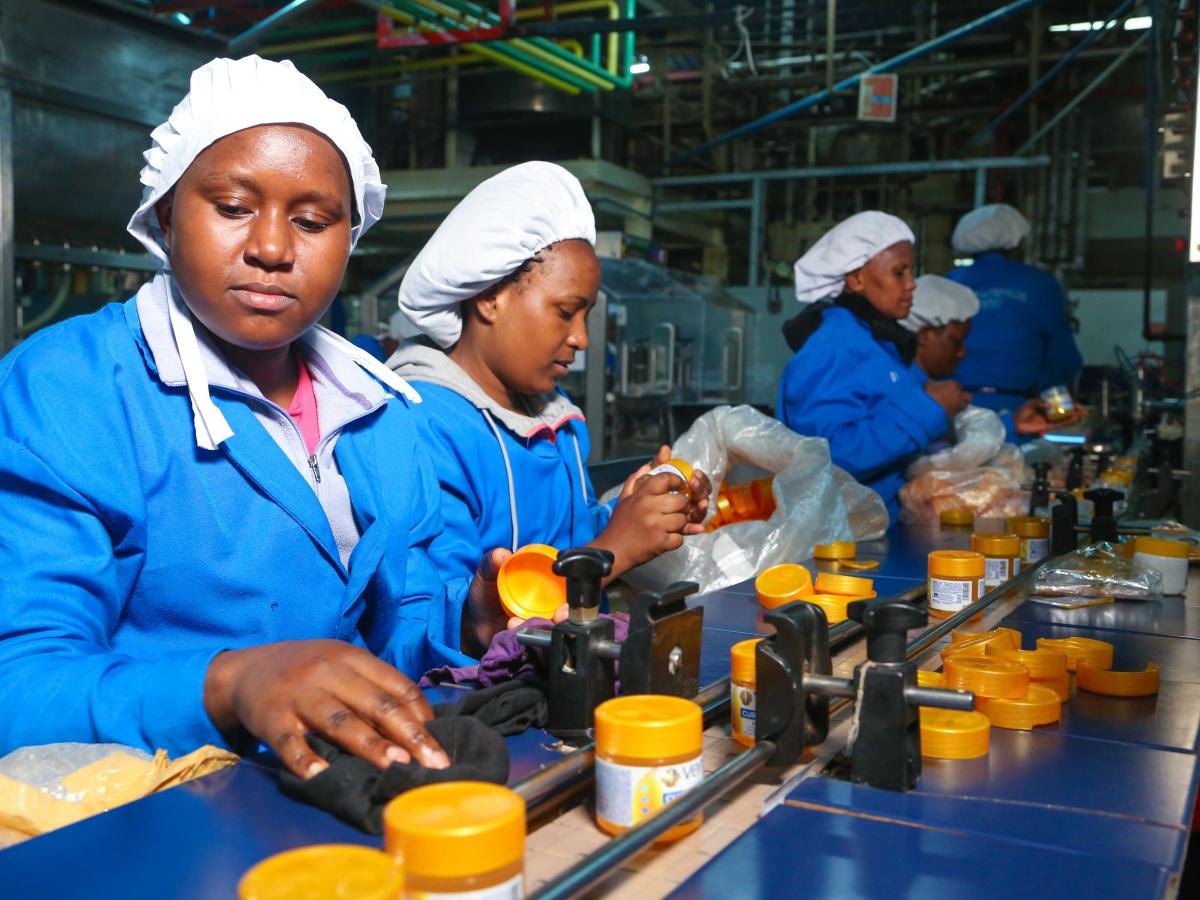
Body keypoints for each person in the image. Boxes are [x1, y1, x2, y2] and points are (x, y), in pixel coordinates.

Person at [0, 56, 511, 778]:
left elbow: (387, 643)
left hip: (321, 803)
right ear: (167, 215)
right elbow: (17, 685)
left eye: (311, 220)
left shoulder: (381, 413)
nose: (272, 248)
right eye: (233, 207)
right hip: (150, 819)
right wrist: (229, 685)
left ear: (349, 237)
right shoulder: (69, 390)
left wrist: (470, 620)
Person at [389, 162, 711, 595]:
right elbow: (452, 615)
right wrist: (617, 549)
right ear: (489, 298)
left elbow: (572, 540)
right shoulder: (422, 429)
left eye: (586, 316)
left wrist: (636, 511)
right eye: (565, 312)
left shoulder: (557, 422)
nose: (581, 339)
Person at [777, 212, 970, 524]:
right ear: (855, 279)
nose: (911, 286)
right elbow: (828, 456)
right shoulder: (832, 349)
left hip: (882, 524)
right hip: (843, 536)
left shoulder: (878, 344)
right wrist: (928, 408)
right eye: (899, 273)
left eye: (911, 273)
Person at [945, 203, 1084, 442]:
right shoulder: (1039, 284)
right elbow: (1063, 360)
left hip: (951, 410)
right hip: (1018, 412)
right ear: (1016, 242)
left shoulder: (946, 284)